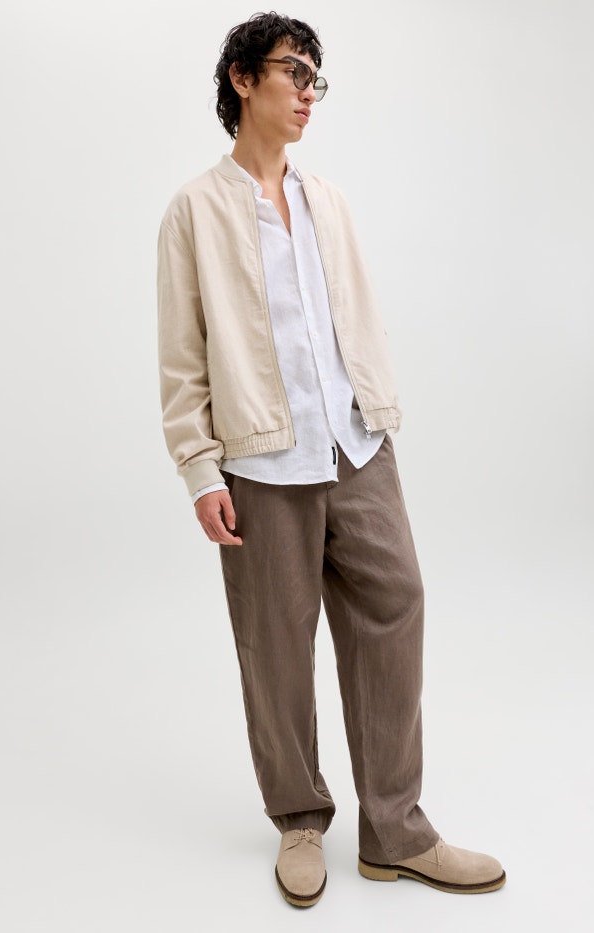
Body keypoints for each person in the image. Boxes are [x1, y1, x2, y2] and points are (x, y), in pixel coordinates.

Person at [157, 11, 505, 908]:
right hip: (262, 459)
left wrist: (376, 409)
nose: (309, 92)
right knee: (276, 643)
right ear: (242, 79)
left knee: (397, 599)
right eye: (294, 72)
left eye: (317, 78)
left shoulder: (330, 201)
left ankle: (396, 830)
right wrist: (201, 469)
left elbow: (353, 316)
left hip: (356, 445)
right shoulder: (194, 209)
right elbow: (183, 357)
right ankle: (300, 819)